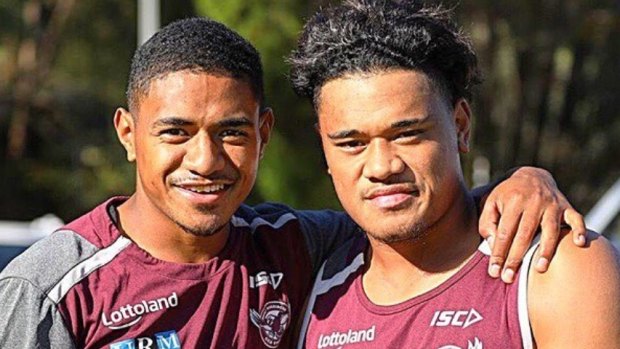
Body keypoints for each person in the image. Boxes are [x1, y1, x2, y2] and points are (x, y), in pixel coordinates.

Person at [0, 16, 586, 349]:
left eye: (231, 132)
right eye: (174, 132)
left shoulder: (295, 244)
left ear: (264, 133)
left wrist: (524, 185)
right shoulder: (48, 289)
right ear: (128, 133)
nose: (204, 160)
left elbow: (404, 212)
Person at [289, 1, 620, 348]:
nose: (382, 166)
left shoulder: (554, 267)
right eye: (352, 143)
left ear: (461, 125)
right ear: (324, 148)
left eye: (407, 134)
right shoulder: (309, 289)